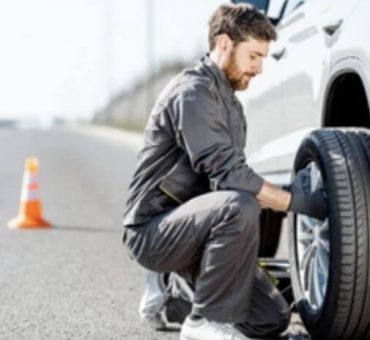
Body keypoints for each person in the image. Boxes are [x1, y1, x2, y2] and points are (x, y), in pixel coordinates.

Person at [122, 3, 328, 340]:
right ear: (223, 44)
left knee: (271, 318)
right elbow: (231, 178)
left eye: (263, 57)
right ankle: (203, 322)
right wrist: (296, 203)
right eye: (254, 56)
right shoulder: (193, 93)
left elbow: (229, 184)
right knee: (238, 207)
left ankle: (173, 295)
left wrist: (294, 194)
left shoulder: (231, 106)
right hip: (152, 229)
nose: (260, 68)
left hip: (196, 229)